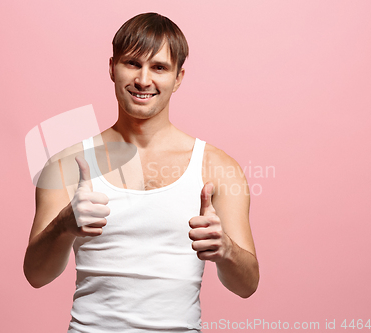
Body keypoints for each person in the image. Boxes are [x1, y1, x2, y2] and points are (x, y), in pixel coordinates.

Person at [23, 12, 259, 332]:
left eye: (159, 67)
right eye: (132, 63)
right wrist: (64, 225)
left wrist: (226, 250)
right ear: (112, 68)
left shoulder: (217, 167)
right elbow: (36, 276)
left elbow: (247, 286)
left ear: (178, 78)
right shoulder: (68, 164)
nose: (143, 80)